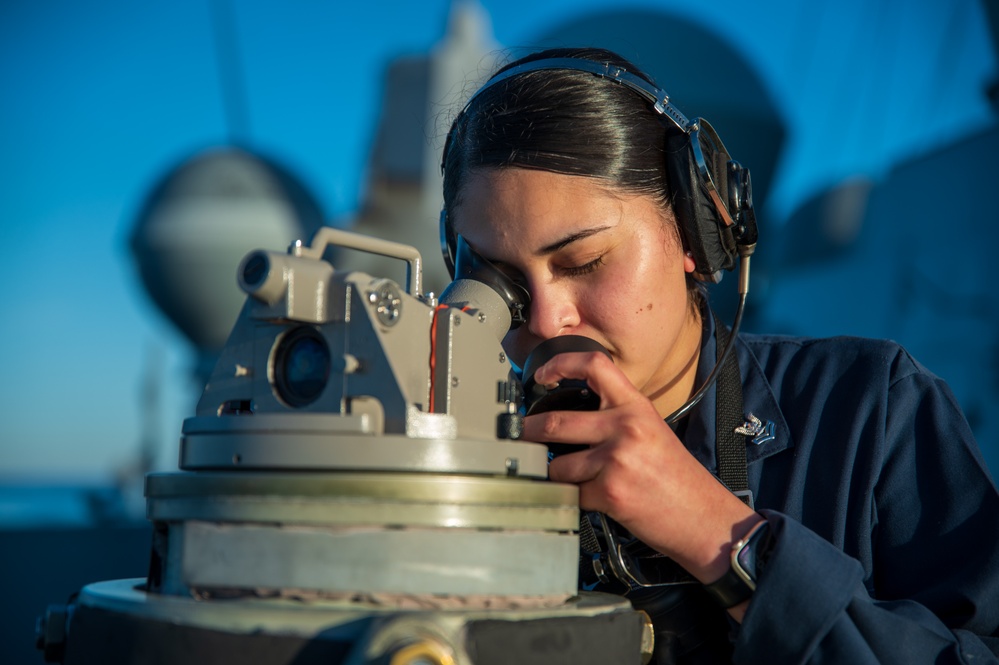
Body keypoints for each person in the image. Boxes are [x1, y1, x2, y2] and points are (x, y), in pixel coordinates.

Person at [439, 47, 999, 664]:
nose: (547, 322)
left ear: (695, 230)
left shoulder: (870, 409)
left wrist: (719, 537)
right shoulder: (455, 454)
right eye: (503, 284)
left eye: (585, 263)